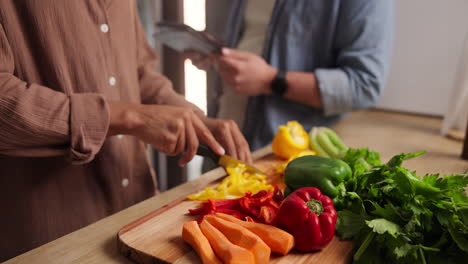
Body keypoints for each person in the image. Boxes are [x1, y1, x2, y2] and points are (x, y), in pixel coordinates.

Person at [0, 0, 250, 261]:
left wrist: (194, 119)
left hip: (139, 213)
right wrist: (129, 117)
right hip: (51, 238)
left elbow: (140, 74)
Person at [190, 0, 394, 150]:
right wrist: (211, 52)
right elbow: (250, 38)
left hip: (290, 165)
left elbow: (365, 85)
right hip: (220, 146)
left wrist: (270, 80)